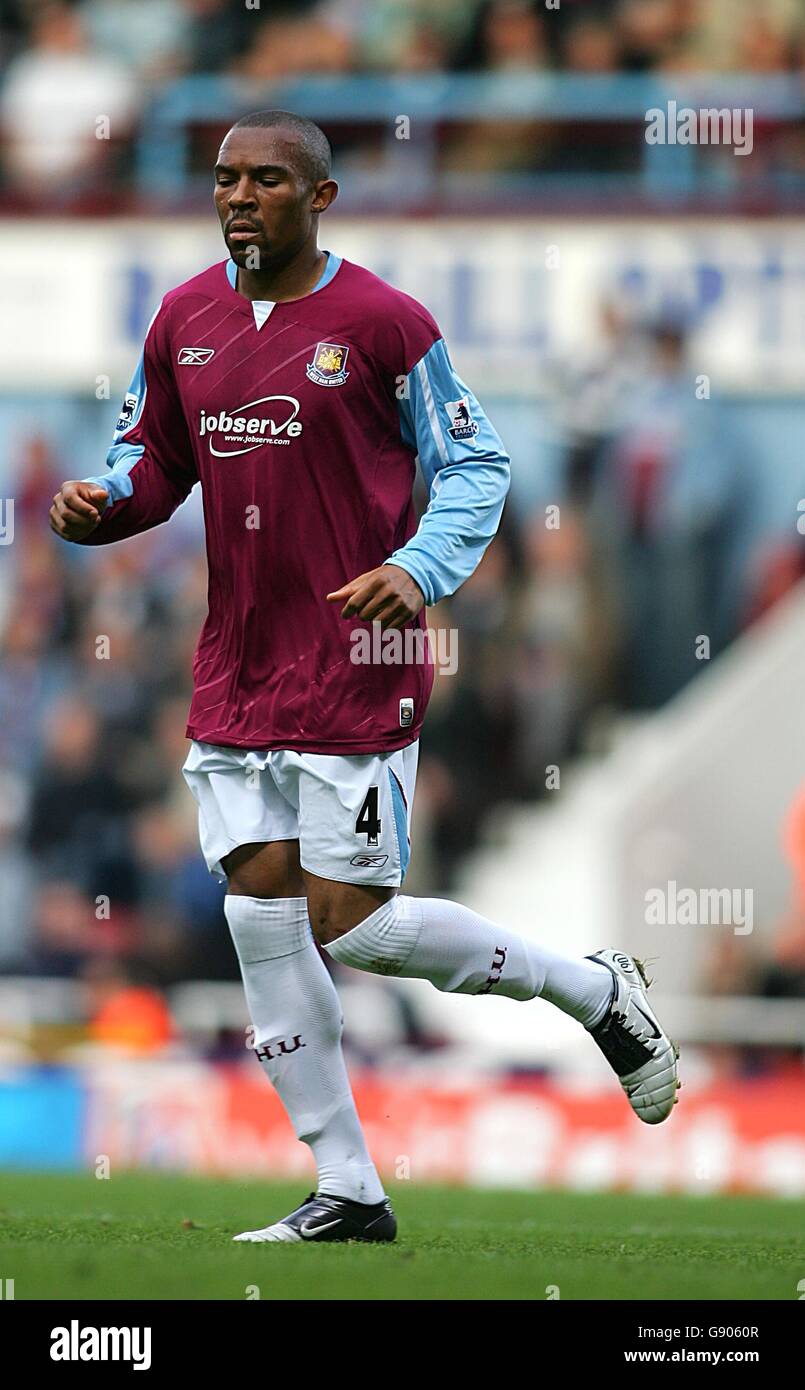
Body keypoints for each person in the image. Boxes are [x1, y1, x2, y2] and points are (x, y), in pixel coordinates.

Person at [49, 110, 679, 1244]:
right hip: (236, 665)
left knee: (355, 926)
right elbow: (154, 454)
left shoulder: (384, 324)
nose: (240, 198)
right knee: (259, 911)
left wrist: (416, 567)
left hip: (355, 661)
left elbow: (476, 459)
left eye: (268, 182)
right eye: (226, 179)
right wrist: (107, 505)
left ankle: (592, 990)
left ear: (320, 197)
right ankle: (347, 1187)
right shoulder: (184, 317)